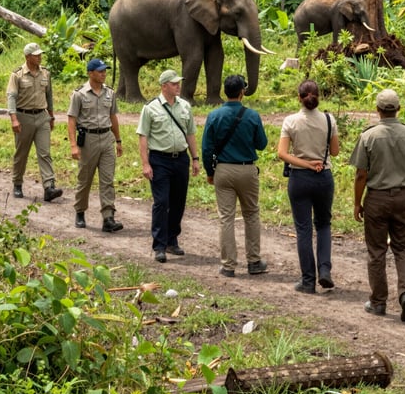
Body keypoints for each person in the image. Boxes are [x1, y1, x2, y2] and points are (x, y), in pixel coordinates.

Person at [351, 89, 405, 322]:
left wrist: (357, 202)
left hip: (377, 198)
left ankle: (378, 301)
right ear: (399, 109)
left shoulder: (369, 137)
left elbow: (361, 175)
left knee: (376, 251)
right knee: (404, 249)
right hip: (404, 196)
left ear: (378, 110)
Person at [201, 74, 268, 277]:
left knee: (226, 218)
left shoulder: (214, 116)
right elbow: (262, 144)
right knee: (251, 214)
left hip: (223, 169)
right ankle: (254, 261)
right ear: (242, 92)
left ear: (225, 92)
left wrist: (210, 172)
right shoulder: (252, 115)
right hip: (247, 169)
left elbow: (206, 148)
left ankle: (228, 265)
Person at [277, 80, 340, 293]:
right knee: (323, 225)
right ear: (318, 97)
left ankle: (307, 280)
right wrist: (317, 161)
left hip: (300, 179)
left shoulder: (290, 121)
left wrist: (304, 163)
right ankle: (325, 270)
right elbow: (335, 151)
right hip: (324, 177)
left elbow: (282, 153)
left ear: (299, 98)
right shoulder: (329, 120)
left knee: (303, 229)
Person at [137, 69, 199, 263]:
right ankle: (159, 245)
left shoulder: (185, 106)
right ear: (164, 86)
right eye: (174, 83)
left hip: (180, 159)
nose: (178, 86)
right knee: (161, 202)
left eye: (178, 82)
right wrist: (145, 163)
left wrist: (195, 158)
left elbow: (190, 133)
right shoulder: (150, 108)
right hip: (160, 160)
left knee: (178, 201)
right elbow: (143, 136)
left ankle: (172, 239)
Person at [67, 58, 124, 232]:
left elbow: (113, 117)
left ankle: (108, 218)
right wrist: (73, 145)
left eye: (105, 71)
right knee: (85, 179)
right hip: (88, 140)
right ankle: (80, 211)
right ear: (90, 73)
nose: (104, 74)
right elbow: (71, 120)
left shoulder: (110, 93)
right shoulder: (79, 94)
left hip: (106, 138)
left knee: (107, 179)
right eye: (100, 71)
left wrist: (118, 140)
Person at [6, 42, 63, 202]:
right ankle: (17, 183)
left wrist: (51, 116)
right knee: (21, 153)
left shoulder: (45, 73)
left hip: (42, 117)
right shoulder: (17, 74)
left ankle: (49, 187)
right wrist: (14, 119)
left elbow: (49, 96)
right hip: (23, 117)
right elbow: (11, 97)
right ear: (27, 57)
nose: (39, 57)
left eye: (40, 54)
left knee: (45, 153)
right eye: (36, 55)